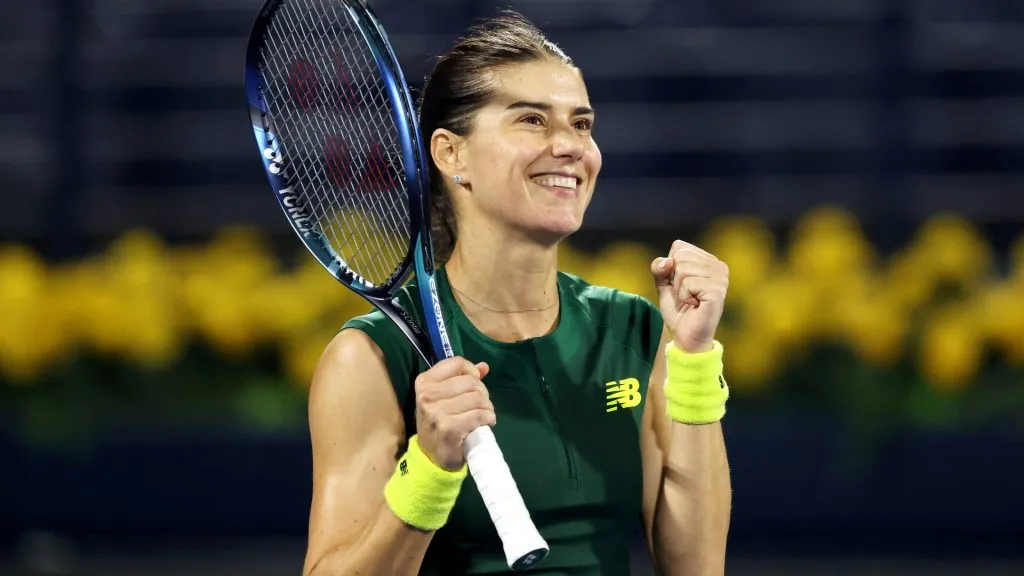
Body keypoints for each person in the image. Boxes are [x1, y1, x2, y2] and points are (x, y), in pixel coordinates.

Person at [302, 11, 732, 576]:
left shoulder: (632, 330)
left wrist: (695, 361)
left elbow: (697, 567)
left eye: (582, 124)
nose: (571, 146)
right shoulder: (371, 359)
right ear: (451, 154)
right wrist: (429, 468)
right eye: (532, 120)